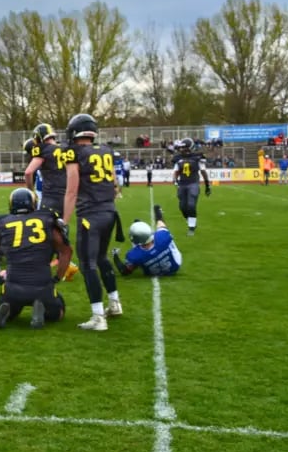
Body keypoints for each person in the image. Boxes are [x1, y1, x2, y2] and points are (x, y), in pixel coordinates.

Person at [62, 113, 125, 331]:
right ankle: (114, 302)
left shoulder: (74, 152)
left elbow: (71, 191)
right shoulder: (106, 151)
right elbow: (115, 184)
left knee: (87, 263)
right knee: (101, 258)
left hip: (91, 214)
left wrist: (64, 221)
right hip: (109, 212)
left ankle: (98, 317)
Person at [0, 188, 71, 329]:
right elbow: (66, 252)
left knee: (11, 311)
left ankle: (8, 309)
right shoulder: (46, 219)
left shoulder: (2, 222)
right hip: (42, 284)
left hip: (13, 286)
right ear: (33, 204)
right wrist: (57, 277)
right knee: (59, 312)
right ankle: (41, 308)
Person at [22, 123, 79, 281]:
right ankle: (64, 266)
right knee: (59, 233)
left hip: (50, 197)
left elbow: (28, 172)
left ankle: (51, 267)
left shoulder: (43, 150)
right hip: (67, 198)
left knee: (42, 234)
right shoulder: (66, 148)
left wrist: (30, 192)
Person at [112, 205, 182, 276]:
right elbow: (160, 223)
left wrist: (115, 256)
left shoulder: (134, 255)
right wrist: (157, 212)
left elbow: (124, 271)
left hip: (153, 273)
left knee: (138, 259)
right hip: (175, 267)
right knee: (166, 235)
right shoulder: (162, 236)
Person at [172, 137, 211, 236]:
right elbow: (176, 171)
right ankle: (190, 220)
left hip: (193, 183)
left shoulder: (197, 157)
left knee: (191, 204)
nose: (181, 149)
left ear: (189, 147)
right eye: (181, 148)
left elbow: (203, 171)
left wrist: (207, 185)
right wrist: (175, 180)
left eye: (183, 147)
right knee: (182, 207)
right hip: (182, 183)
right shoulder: (178, 158)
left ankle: (191, 227)